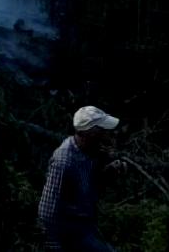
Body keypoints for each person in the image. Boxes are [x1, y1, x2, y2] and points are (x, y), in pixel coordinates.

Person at [37, 105, 121, 252]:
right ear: (91, 134)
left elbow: (88, 188)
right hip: (70, 233)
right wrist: (54, 246)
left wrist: (107, 174)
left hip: (86, 226)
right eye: (103, 131)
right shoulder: (64, 162)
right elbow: (47, 211)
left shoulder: (89, 151)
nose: (108, 135)